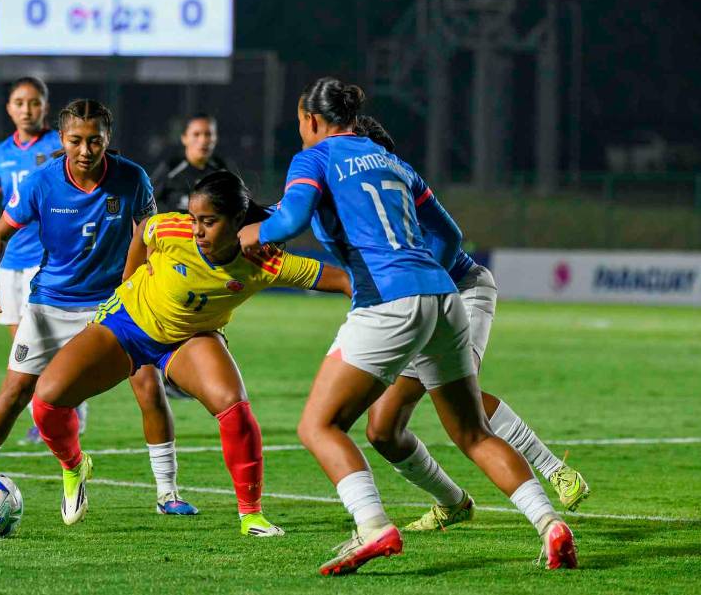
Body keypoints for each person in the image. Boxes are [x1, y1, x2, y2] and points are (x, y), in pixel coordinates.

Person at [238, 78, 577, 575]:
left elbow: (290, 221)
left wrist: (256, 232)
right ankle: (550, 525)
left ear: (310, 119)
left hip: (389, 302)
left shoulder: (313, 157)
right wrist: (419, 275)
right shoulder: (393, 161)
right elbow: (451, 234)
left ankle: (373, 526)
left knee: (319, 425)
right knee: (472, 433)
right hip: (442, 294)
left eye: (299, 121)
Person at [21, 171, 353, 535]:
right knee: (48, 400)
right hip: (127, 325)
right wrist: (128, 281)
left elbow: (340, 280)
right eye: (194, 219)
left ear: (238, 221)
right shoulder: (172, 230)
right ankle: (74, 466)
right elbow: (144, 230)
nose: (197, 230)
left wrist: (381, 301)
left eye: (209, 222)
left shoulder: (263, 260)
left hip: (191, 338)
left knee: (233, 406)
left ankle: (251, 516)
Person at [0, 98, 198, 518]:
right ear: (61, 139)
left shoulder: (132, 179)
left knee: (149, 388)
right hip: (50, 304)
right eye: (76, 140)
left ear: (107, 139)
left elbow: (152, 235)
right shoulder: (41, 182)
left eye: (94, 140)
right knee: (15, 392)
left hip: (115, 306)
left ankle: (168, 493)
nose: (85, 150)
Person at [352, 114, 590, 530]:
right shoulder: (361, 201)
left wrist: (419, 291)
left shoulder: (398, 191)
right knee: (383, 429)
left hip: (461, 292)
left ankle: (556, 472)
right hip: (418, 305)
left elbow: (446, 241)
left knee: (462, 398)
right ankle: (453, 502)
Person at [0, 77, 85, 443]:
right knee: (22, 343)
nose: (26, 109)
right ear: (9, 108)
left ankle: (54, 412)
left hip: (46, 258)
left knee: (34, 346)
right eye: (19, 102)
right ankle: (64, 404)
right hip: (10, 262)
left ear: (45, 107)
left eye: (33, 102)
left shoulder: (58, 145)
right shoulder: (0, 153)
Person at [151, 113, 231, 213]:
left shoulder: (221, 169)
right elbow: (145, 206)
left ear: (216, 138)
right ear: (184, 138)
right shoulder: (171, 168)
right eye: (196, 134)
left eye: (208, 134)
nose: (203, 140)